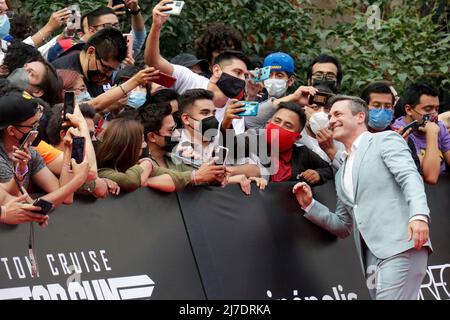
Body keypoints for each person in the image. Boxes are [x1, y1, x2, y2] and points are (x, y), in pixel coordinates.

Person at [293, 95, 431, 300]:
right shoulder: (341, 172)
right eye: (329, 116)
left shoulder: (384, 139)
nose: (331, 120)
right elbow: (343, 225)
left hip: (402, 244)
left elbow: (409, 176)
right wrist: (310, 205)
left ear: (360, 117)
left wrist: (419, 215)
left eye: (338, 114)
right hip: (370, 259)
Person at [145, 1, 250, 134]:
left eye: (244, 75)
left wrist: (226, 125)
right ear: (216, 68)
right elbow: (152, 61)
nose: (241, 78)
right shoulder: (189, 79)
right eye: (237, 72)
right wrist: (156, 26)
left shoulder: (235, 109)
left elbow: (231, 152)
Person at [0, 91, 91, 205]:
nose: (37, 128)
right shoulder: (2, 159)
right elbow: (29, 208)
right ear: (11, 130)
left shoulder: (30, 153)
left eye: (38, 122)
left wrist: (68, 148)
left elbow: (65, 197)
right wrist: (78, 180)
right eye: (32, 125)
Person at [136, 102, 227, 185]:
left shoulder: (177, 157)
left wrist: (215, 176)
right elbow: (186, 177)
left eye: (175, 128)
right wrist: (195, 176)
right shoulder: (139, 164)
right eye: (171, 130)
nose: (177, 133)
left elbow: (201, 177)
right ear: (152, 137)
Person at [96, 118, 196, 192]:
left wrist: (195, 175)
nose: (144, 145)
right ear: (127, 145)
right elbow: (131, 181)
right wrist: (147, 163)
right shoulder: (103, 172)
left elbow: (173, 175)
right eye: (142, 141)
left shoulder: (137, 165)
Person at [360, 81, 423, 179]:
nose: (382, 110)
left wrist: (401, 149)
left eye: (387, 106)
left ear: (393, 109)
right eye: (376, 105)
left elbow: (416, 177)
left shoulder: (402, 138)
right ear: (363, 108)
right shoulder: (353, 137)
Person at [392, 83, 450, 180]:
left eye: (437, 109)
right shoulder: (400, 133)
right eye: (428, 109)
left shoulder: (440, 126)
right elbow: (430, 177)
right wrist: (432, 133)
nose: (434, 114)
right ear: (409, 109)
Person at [264, 102, 333, 184]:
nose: (279, 127)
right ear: (268, 123)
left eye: (288, 126)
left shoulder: (302, 153)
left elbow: (329, 170)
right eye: (277, 121)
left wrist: (318, 174)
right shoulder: (250, 143)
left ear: (297, 137)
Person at [52, 27, 127, 98]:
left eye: (113, 70)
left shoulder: (95, 73)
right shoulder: (63, 74)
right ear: (91, 52)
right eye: (106, 68)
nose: (108, 75)